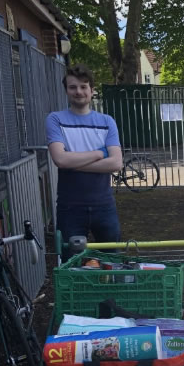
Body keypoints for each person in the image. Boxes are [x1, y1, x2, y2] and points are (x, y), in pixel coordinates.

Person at [46, 64, 123, 259]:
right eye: (73, 87)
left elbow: (116, 163)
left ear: (92, 90)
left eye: (83, 86)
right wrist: (98, 153)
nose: (78, 92)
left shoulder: (107, 121)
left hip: (104, 205)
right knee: (70, 265)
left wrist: (74, 162)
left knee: (112, 261)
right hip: (70, 208)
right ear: (66, 91)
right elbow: (60, 160)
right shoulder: (55, 119)